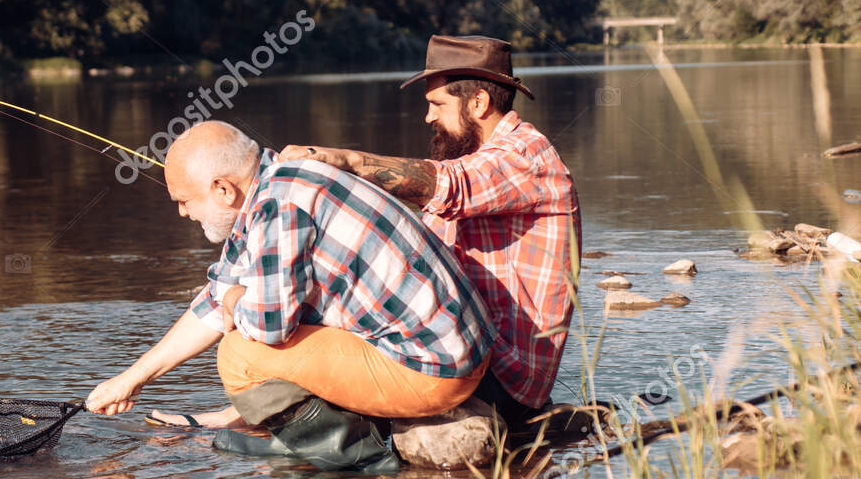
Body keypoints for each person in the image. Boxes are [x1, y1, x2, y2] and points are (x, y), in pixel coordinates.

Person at [147, 35, 580, 434]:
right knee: (312, 284)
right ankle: (248, 415)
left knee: (254, 338)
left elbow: (450, 185)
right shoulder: (491, 154)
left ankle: (322, 436)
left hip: (500, 374)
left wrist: (345, 160)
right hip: (465, 349)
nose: (427, 116)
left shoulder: (525, 157)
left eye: (437, 104)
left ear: (479, 102)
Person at [85, 120, 495, 472]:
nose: (182, 213)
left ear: (223, 189)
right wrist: (132, 379)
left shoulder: (280, 205)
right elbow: (214, 298)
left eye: (184, 201)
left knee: (240, 354)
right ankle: (251, 421)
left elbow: (267, 326)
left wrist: (233, 302)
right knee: (266, 322)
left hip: (434, 369)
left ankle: (350, 455)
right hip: (451, 351)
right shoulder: (274, 185)